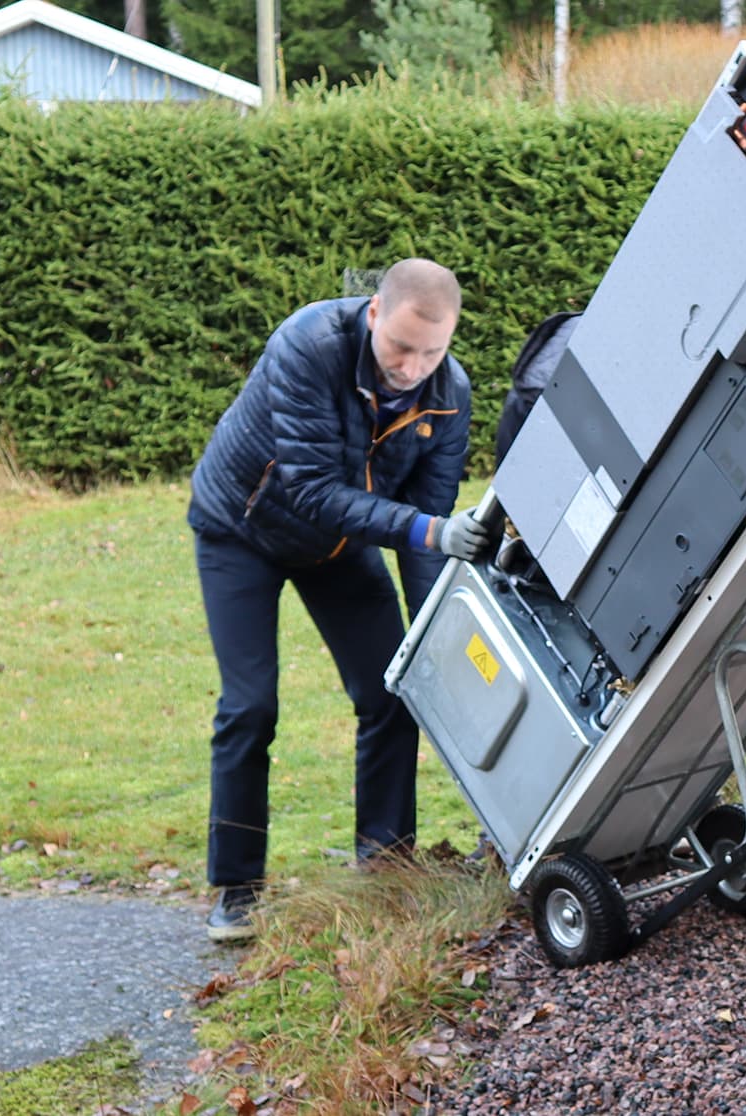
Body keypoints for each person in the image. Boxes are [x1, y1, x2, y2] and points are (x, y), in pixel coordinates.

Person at [186, 258, 496, 943]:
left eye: (432, 352)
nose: (413, 367)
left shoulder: (449, 394)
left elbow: (426, 528)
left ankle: (385, 870)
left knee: (393, 690)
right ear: (376, 314)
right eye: (401, 347)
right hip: (242, 529)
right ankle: (237, 889)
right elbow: (310, 487)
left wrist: (431, 639)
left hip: (338, 544)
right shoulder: (308, 346)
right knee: (250, 705)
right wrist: (429, 529)